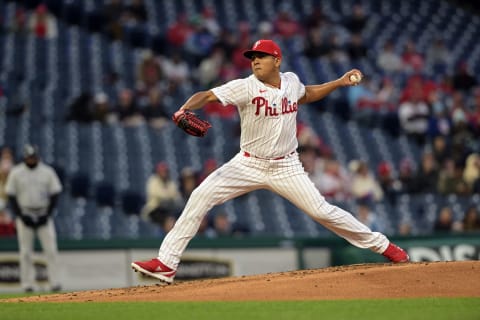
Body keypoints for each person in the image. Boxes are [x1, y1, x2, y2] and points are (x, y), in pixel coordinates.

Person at [132, 39, 409, 284]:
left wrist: (338, 82)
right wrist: (184, 109)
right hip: (247, 164)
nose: (255, 62)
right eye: (252, 58)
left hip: (286, 166)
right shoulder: (245, 87)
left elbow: (308, 93)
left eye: (260, 57)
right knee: (199, 196)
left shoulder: (290, 81)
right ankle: (166, 263)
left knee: (322, 212)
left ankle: (384, 247)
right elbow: (207, 95)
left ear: (277, 60)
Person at [5, 144, 63, 292]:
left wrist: (47, 214)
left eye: (33, 157)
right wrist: (21, 215)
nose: (31, 159)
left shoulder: (47, 172)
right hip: (25, 212)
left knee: (51, 250)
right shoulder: (16, 172)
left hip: (43, 212)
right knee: (25, 252)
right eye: (29, 157)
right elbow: (11, 196)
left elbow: (55, 194)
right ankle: (27, 284)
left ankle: (54, 282)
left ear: (38, 156)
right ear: (24, 157)